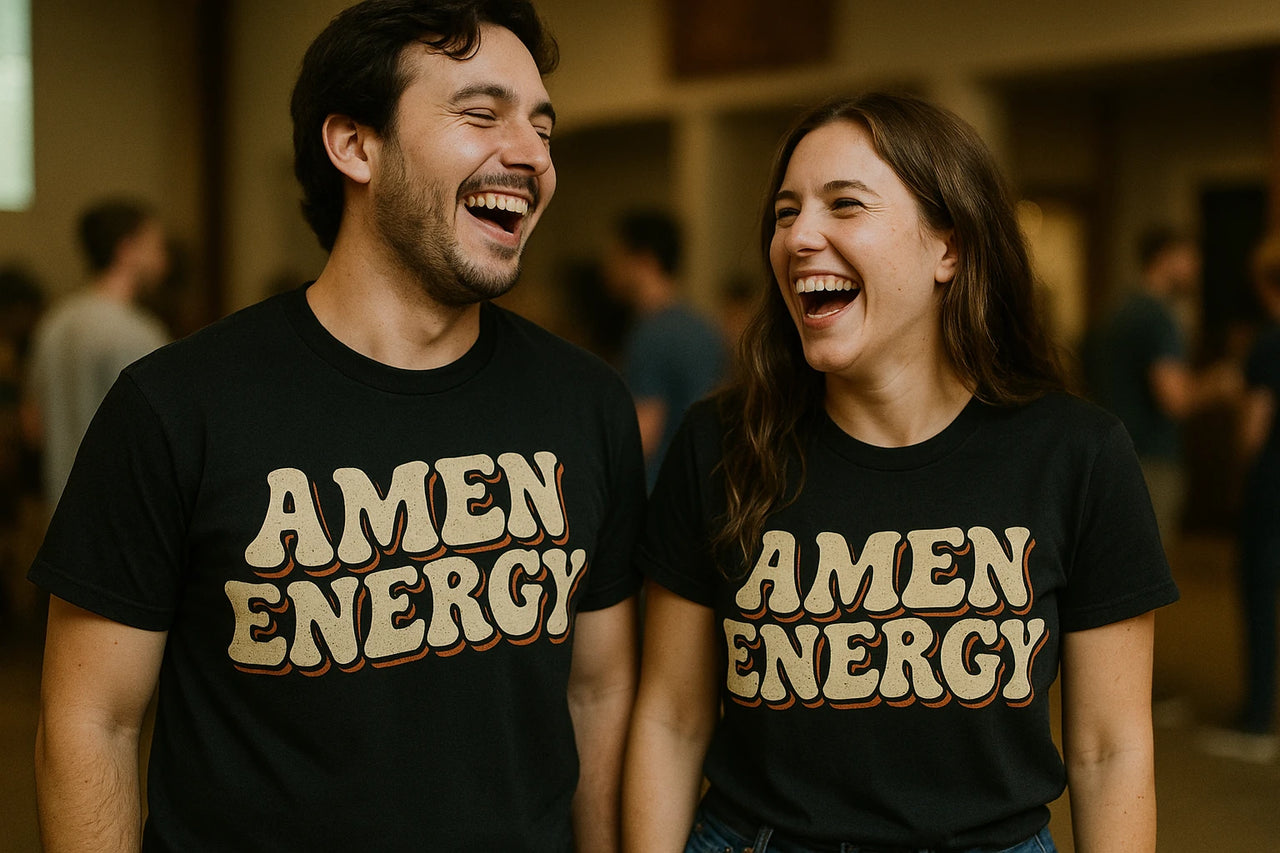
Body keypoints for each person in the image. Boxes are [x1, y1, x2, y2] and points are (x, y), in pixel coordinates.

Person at [30, 2, 645, 851]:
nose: (533, 154)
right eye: (480, 114)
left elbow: (599, 690)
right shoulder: (177, 405)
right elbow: (92, 721)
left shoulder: (588, 402)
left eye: (543, 127)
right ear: (355, 144)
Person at [623, 92, 1178, 853]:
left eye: (843, 205)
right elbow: (672, 716)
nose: (799, 237)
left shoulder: (1076, 454)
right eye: (786, 213)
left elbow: (1110, 749)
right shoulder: (718, 442)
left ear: (948, 247)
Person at [1092, 226, 1238, 545]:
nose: (1196, 267)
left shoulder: (1122, 310)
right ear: (1164, 259)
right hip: (1152, 459)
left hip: (1115, 454)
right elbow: (1175, 399)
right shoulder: (1158, 318)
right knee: (1148, 573)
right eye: (1188, 258)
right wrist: (1221, 382)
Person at [23, 199, 170, 510]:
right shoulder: (138, 333)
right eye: (156, 247)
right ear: (127, 250)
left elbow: (33, 426)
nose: (163, 262)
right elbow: (160, 441)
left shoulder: (55, 322)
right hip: (121, 518)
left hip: (62, 518)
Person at [1200, 232, 1280, 762]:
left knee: (1259, 596)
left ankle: (1257, 720)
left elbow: (1255, 425)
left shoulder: (1269, 343)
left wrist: (1237, 475)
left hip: (1270, 486)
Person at [605, 210, 727, 488]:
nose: (609, 266)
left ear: (643, 260)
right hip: (700, 485)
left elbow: (641, 438)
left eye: (617, 255)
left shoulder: (651, 334)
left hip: (658, 489)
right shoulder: (702, 326)